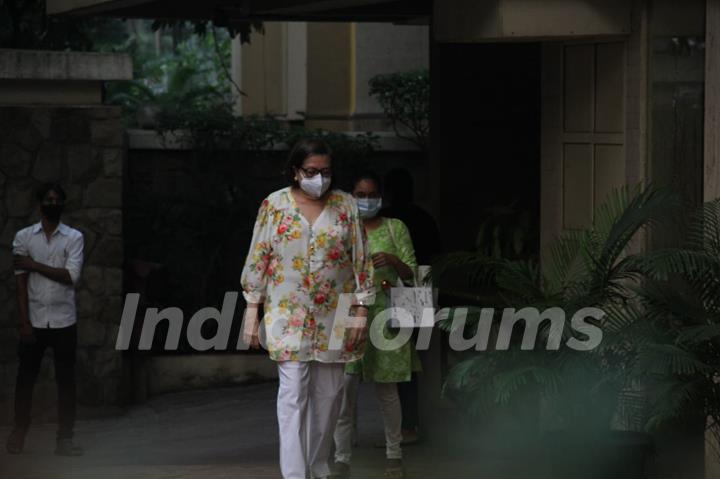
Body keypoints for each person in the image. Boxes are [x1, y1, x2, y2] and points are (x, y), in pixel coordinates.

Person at [241, 139, 374, 479]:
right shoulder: (275, 205)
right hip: (287, 312)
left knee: (330, 396)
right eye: (312, 172)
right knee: (293, 394)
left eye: (325, 172)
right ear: (296, 171)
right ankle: (295, 473)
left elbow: (361, 259)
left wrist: (361, 310)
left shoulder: (346, 205)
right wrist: (251, 312)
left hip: (335, 312)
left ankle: (317, 462)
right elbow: (258, 258)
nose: (319, 178)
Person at [331, 171, 422, 479]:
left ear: (381, 197)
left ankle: (394, 455)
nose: (366, 200)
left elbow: (411, 274)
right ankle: (341, 457)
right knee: (344, 391)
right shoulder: (341, 229)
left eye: (371, 194)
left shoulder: (396, 228)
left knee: (387, 391)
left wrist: (394, 262)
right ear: (350, 197)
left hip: (387, 316)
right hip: (349, 315)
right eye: (360, 194)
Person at [6, 183, 85, 457]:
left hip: (64, 320)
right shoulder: (24, 237)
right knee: (25, 380)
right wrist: (25, 322)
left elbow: (71, 277)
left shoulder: (73, 238)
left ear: (63, 204)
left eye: (57, 199)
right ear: (40, 205)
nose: (53, 203)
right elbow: (20, 283)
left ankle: (65, 439)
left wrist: (34, 265)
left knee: (66, 382)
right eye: (48, 199)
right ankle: (19, 431)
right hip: (36, 320)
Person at [380, 168, 442, 444]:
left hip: (404, 289)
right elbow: (437, 254)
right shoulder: (421, 218)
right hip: (418, 289)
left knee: (403, 361)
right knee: (413, 359)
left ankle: (409, 425)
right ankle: (412, 424)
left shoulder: (390, 220)